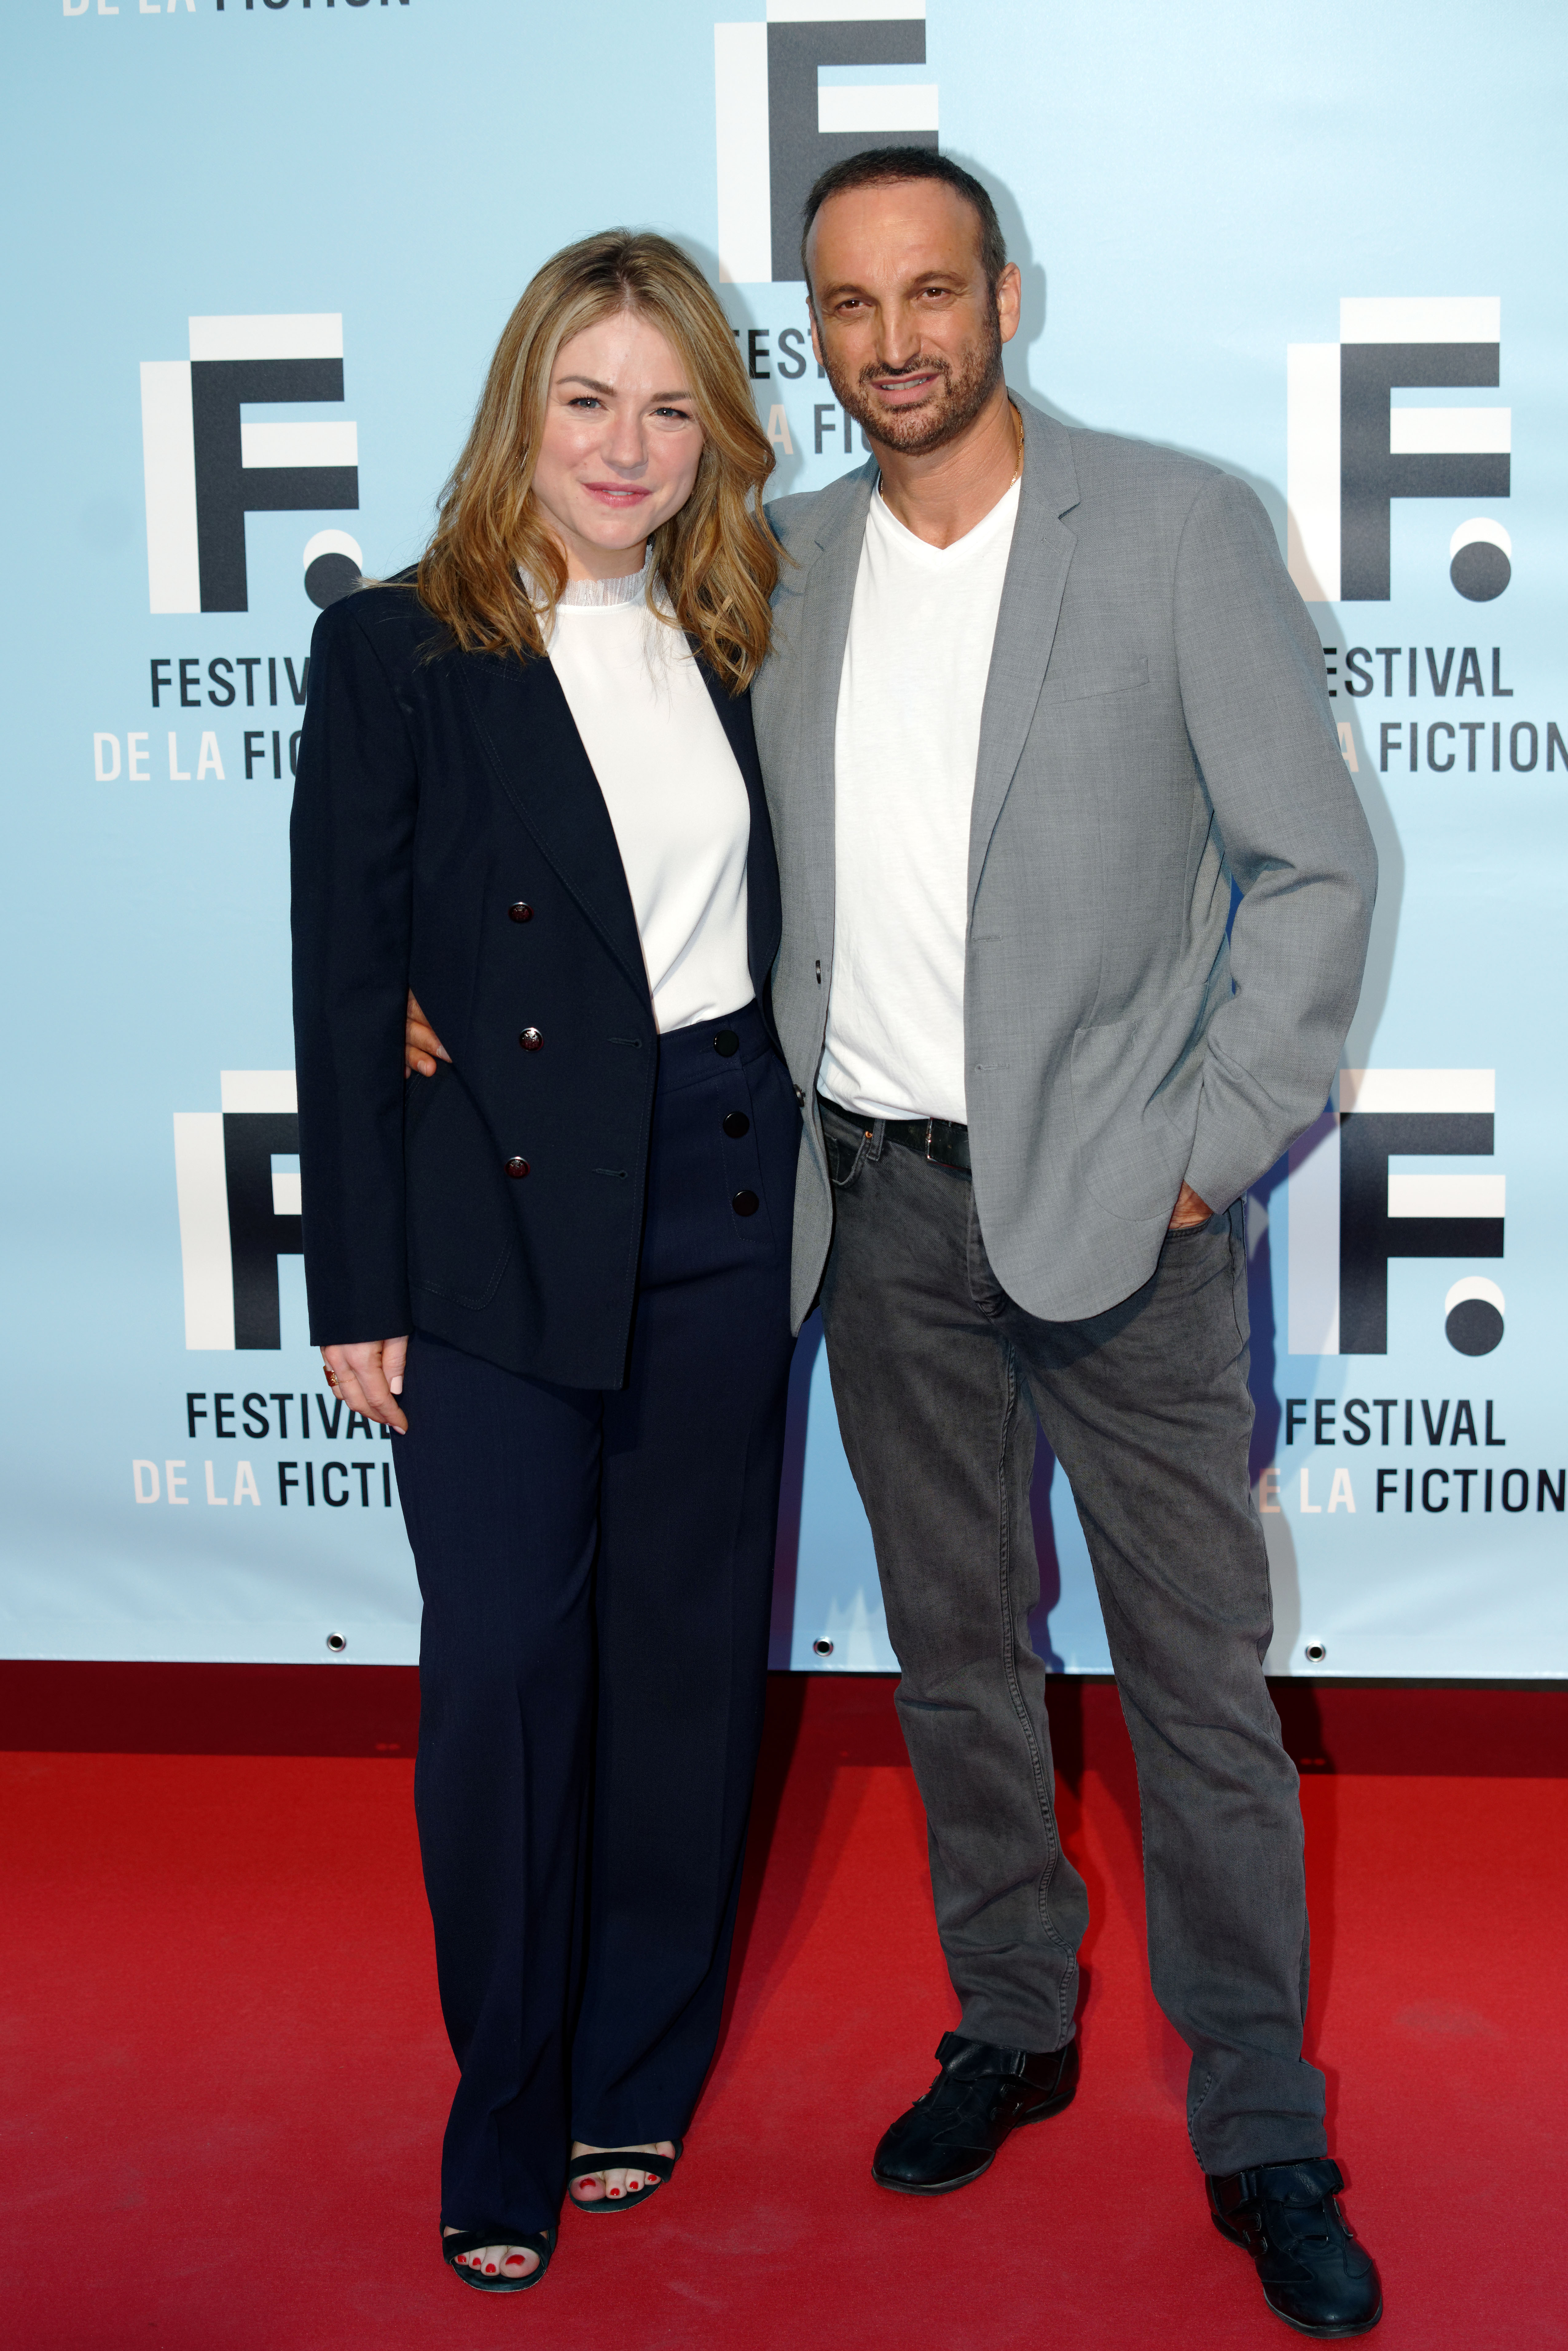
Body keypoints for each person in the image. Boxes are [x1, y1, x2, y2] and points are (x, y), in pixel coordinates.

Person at [755, 147, 1382, 2338]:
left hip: (1132, 1221)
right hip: (883, 1209)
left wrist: (1207, 1151)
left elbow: (1312, 870)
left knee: (1199, 1689)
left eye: (933, 292)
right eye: (850, 304)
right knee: (957, 1656)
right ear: (812, 326)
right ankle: (1010, 2015)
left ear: (1006, 296)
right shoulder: (787, 559)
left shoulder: (1181, 524)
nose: (895, 341)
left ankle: (1262, 2121)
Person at [291, 230, 799, 2295]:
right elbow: (343, 974)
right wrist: (354, 1276)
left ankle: (632, 2067)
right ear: (521, 404)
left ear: (716, 437)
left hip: (718, 1187)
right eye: (588, 398)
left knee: (680, 1667)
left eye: (671, 405)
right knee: (504, 1671)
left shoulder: (743, 631)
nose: (628, 444)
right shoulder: (402, 646)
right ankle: (498, 2104)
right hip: (490, 1211)